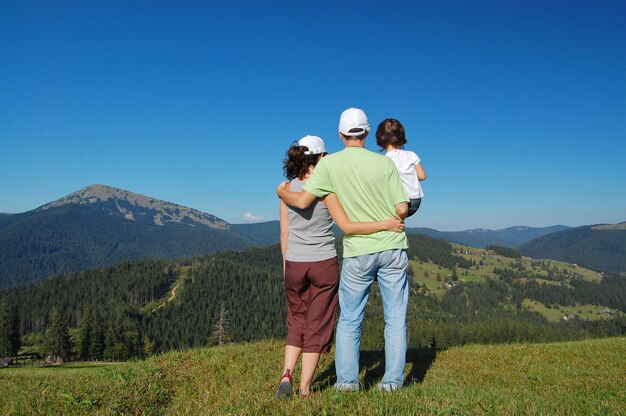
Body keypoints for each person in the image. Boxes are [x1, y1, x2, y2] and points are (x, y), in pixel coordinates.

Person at [277, 108, 410, 392]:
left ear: (340, 135)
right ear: (366, 132)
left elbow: (302, 203)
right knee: (395, 319)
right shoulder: (385, 164)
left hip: (356, 251)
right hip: (392, 246)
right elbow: (402, 208)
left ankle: (347, 383)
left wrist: (281, 191)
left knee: (349, 320)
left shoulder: (329, 166)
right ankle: (392, 384)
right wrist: (392, 218)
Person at [376, 118, 427, 217]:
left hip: (400, 200)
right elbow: (422, 176)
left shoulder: (384, 161)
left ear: (380, 138)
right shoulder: (411, 154)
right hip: (416, 201)